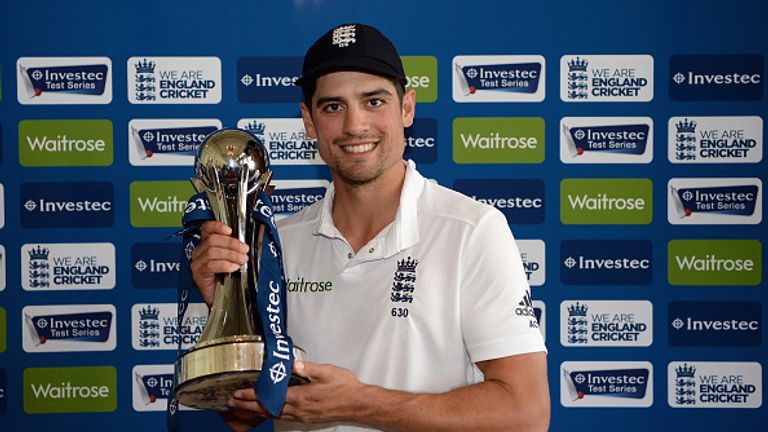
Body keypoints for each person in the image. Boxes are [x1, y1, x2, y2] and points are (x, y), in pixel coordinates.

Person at [190, 23, 549, 432]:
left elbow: (526, 414)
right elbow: (242, 415)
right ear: (308, 121)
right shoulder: (277, 243)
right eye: (332, 107)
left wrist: (361, 404)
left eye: (373, 101)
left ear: (407, 108)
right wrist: (228, 311)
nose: (354, 125)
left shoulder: (472, 231)